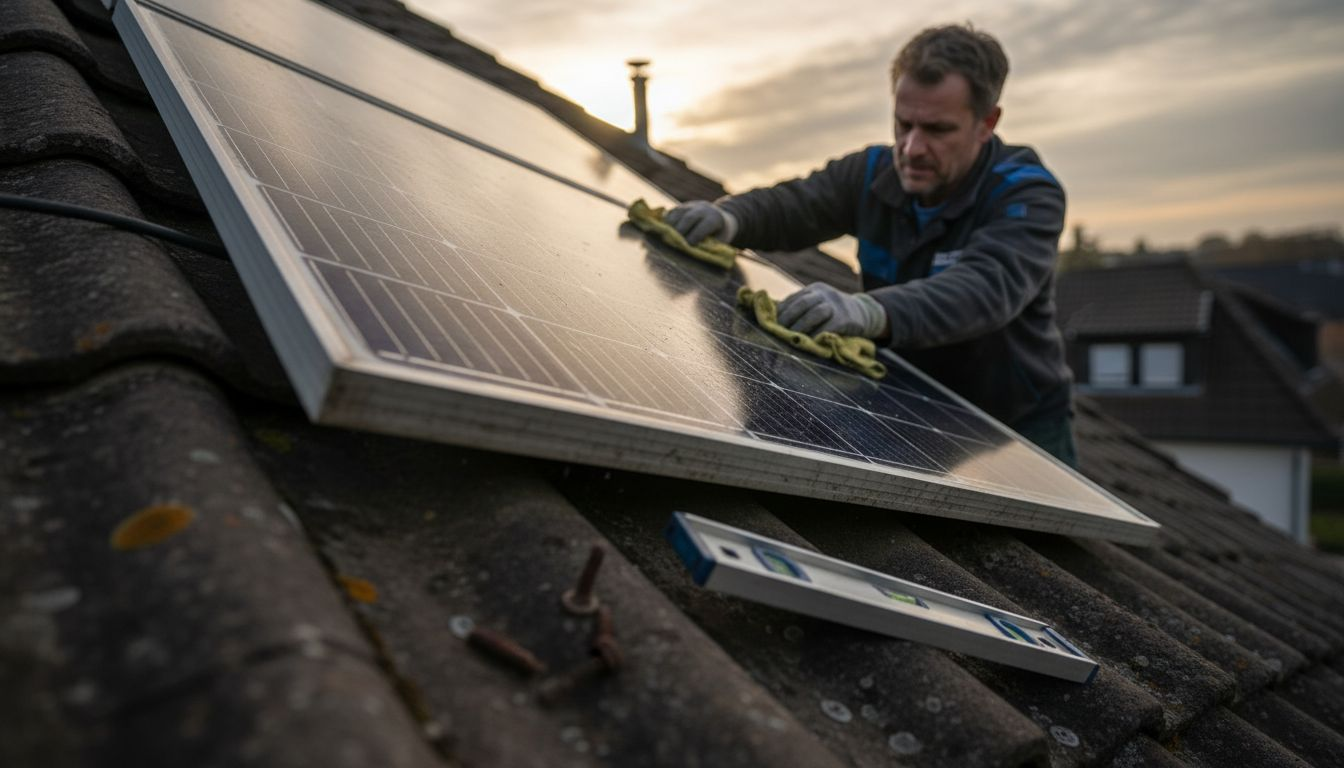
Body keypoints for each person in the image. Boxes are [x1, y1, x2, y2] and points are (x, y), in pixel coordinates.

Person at [664, 24, 1077, 466]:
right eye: (904, 123)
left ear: (986, 123)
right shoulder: (873, 172)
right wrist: (730, 217)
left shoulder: (1026, 195)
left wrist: (868, 311)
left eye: (937, 129)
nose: (913, 148)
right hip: (908, 398)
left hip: (1014, 426)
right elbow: (797, 204)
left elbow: (984, 288)